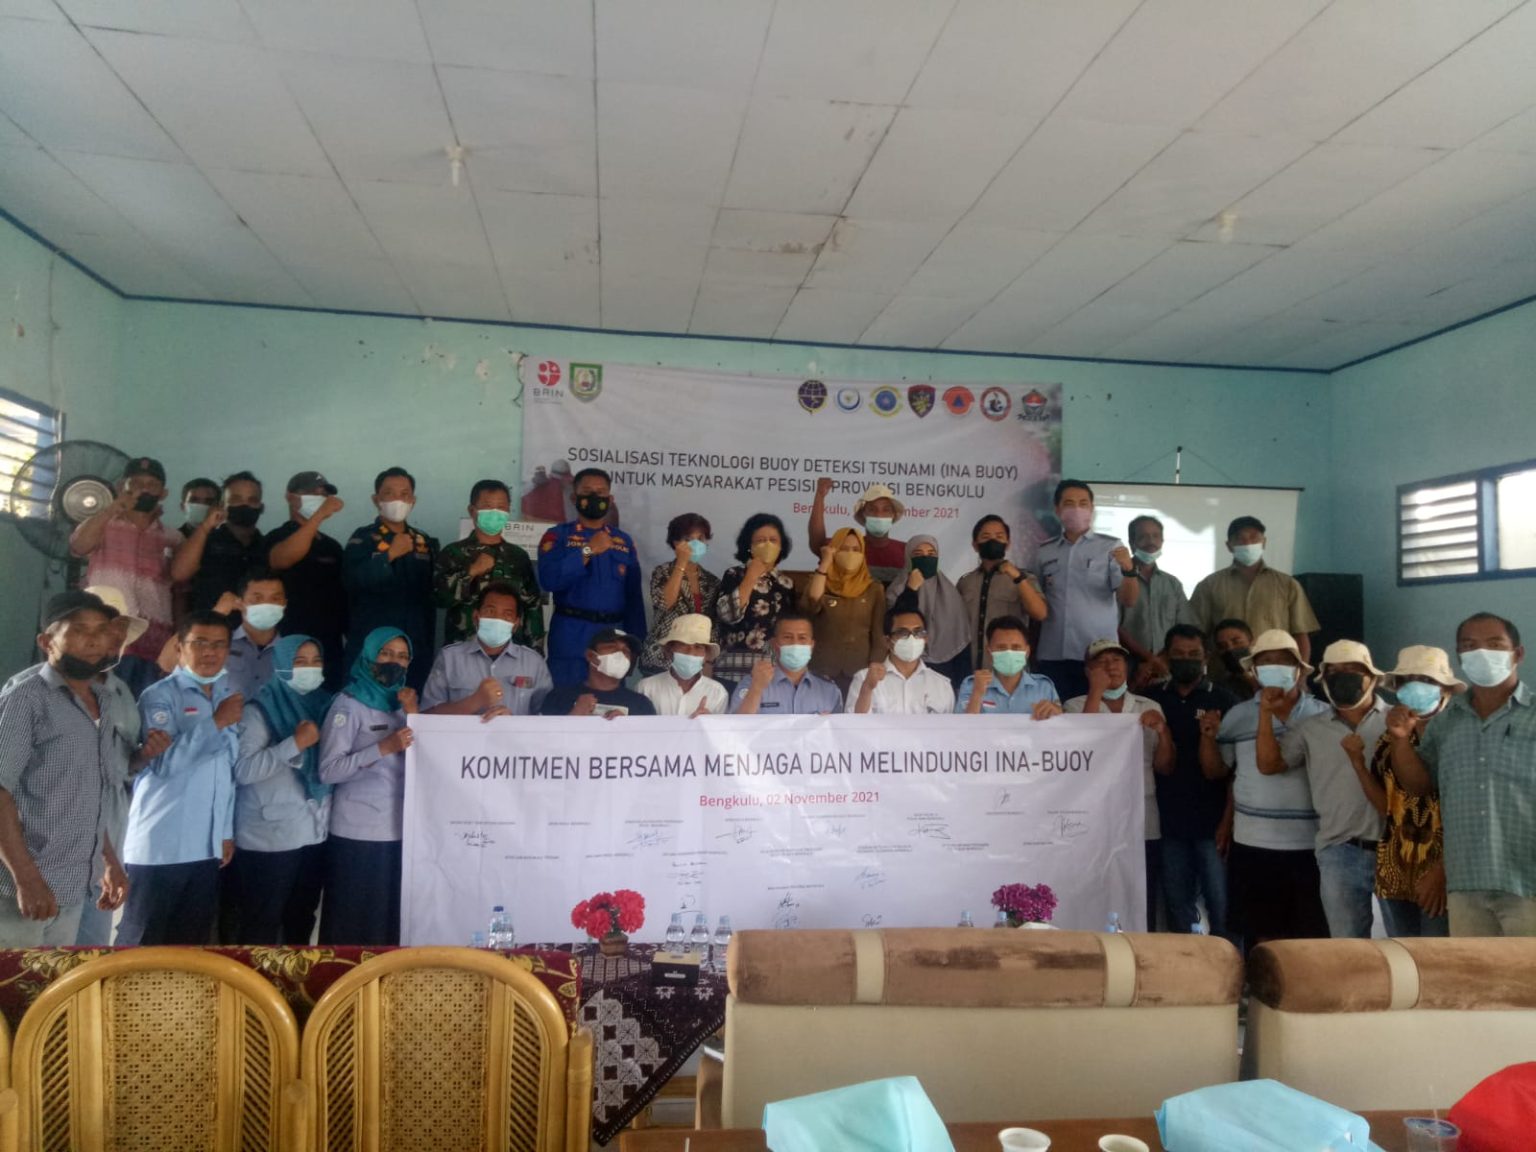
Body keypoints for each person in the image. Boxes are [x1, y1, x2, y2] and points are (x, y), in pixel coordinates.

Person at [1389, 612, 1535, 937]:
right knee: (1472, 970)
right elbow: (1420, 785)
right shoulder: (1447, 722)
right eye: (1470, 646)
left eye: (1494, 644)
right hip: (1466, 882)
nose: (1482, 653)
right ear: (1460, 657)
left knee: (1527, 971)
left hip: (1527, 882)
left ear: (1518, 654)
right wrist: (1400, 741)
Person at [0, 592, 131, 946]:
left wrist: (109, 860)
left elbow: (91, 793)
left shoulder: (104, 702)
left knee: (62, 980)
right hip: (21, 892)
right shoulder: (26, 699)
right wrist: (26, 878)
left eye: (101, 630)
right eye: (78, 630)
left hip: (76, 886)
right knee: (16, 980)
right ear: (47, 642)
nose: (93, 640)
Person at [117, 610, 241, 946]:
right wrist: (215, 723)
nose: (210, 652)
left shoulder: (226, 696)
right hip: (161, 845)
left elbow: (226, 772)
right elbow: (163, 764)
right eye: (199, 643)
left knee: (189, 949)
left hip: (206, 848)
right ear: (180, 647)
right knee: (142, 943)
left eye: (219, 645)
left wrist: (224, 831)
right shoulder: (160, 696)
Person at [1257, 639, 1387, 939]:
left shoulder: (1396, 721)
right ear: (1323, 679)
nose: (1343, 677)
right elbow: (1269, 765)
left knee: (1404, 942)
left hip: (1395, 849)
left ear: (1373, 678)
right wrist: (1265, 714)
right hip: (1339, 851)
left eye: (1352, 670)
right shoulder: (1311, 728)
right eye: (1334, 672)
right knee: (1346, 945)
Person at [1212, 630, 1331, 947]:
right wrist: (1227, 822)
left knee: (1310, 938)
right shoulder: (1238, 715)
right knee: (1261, 938)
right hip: (1253, 842)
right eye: (1266, 662)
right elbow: (1229, 773)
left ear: (1299, 670)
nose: (1275, 667)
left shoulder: (1322, 715)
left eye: (1283, 661)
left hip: (1310, 844)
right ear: (1253, 671)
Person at [1064, 639, 1173, 931]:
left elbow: (1165, 767)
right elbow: (1079, 755)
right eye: (1101, 662)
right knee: (1093, 891)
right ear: (1088, 671)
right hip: (1095, 816)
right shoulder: (1074, 705)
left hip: (1142, 814)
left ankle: (1140, 950)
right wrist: (1096, 692)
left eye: (1116, 660)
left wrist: (1162, 732)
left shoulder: (1149, 706)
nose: (1110, 666)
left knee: (1142, 890)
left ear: (1127, 666)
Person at [230, 635, 332, 945]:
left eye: (316, 661)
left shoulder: (326, 705)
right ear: (282, 664)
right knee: (261, 922)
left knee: (302, 918)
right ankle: (252, 978)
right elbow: (242, 770)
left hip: (313, 831)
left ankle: (296, 977)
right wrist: (294, 744)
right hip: (268, 838)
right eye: (300, 662)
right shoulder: (259, 709)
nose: (309, 668)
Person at [318, 627, 417, 945]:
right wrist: (382, 748)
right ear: (369, 656)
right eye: (386, 653)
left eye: (402, 656)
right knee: (352, 925)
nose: (394, 662)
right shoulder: (348, 704)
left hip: (397, 831)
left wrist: (415, 715)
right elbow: (328, 771)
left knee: (387, 925)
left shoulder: (403, 703)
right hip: (357, 833)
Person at [1355, 646, 1458, 938]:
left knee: (1437, 958)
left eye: (1426, 680)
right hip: (1395, 867)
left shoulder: (1458, 734)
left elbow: (1470, 812)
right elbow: (1386, 808)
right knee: (1403, 957)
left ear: (1445, 688)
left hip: (1443, 868)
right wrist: (1357, 765)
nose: (1416, 686)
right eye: (1407, 680)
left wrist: (1442, 870)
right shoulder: (1388, 740)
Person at [1147, 624, 1238, 937]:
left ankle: (1229, 964)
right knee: (1177, 906)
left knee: (1222, 906)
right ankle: (1186, 964)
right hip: (1169, 822)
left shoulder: (1225, 700)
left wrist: (1227, 822)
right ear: (1166, 657)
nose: (1186, 660)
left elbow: (1235, 772)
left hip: (1213, 824)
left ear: (1206, 657)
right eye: (1178, 654)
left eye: (1193, 654)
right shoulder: (1152, 699)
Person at [68, 456, 180, 695]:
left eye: (152, 485)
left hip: (154, 641)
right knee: (100, 703)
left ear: (163, 493)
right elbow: (79, 546)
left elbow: (180, 579)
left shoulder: (173, 537)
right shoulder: (102, 524)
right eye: (136, 483)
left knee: (146, 707)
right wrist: (112, 508)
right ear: (121, 487)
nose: (144, 490)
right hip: (108, 636)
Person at [536, 468, 646, 685]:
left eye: (601, 492)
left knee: (609, 700)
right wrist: (587, 550)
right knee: (566, 698)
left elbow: (633, 597)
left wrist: (635, 643)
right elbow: (548, 580)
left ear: (610, 499)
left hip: (613, 637)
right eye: (587, 492)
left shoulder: (623, 541)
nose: (595, 497)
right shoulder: (557, 536)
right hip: (571, 634)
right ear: (574, 497)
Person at [1032, 481, 1138, 701]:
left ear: (1091, 508)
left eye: (1083, 503)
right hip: (1053, 655)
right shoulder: (1044, 551)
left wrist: (1129, 570)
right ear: (1057, 510)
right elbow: (1035, 602)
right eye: (1069, 503)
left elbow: (1129, 600)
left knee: (1096, 717)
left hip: (1097, 656)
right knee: (1053, 716)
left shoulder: (1110, 547)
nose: (1076, 509)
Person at [342, 467, 438, 694]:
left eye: (404, 494)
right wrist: (389, 555)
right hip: (372, 640)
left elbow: (430, 595)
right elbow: (351, 581)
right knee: (366, 700)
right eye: (389, 493)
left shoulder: (424, 541)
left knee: (411, 700)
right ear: (376, 499)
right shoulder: (362, 538)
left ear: (413, 500)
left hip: (414, 642)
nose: (398, 499)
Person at [1190, 516, 1319, 665]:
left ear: (1264, 542)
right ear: (1229, 546)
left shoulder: (1288, 585)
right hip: (1224, 671)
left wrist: (1302, 672)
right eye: (1240, 539)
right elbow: (1196, 635)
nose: (1248, 543)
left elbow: (1301, 634)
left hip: (1273, 669)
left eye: (1254, 538)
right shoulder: (1209, 585)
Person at [435, 479, 544, 651]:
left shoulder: (518, 556)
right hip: (463, 649)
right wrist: (470, 571)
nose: (495, 513)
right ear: (472, 511)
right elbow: (439, 599)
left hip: (510, 652)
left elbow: (532, 606)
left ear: (508, 511)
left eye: (501, 507)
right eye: (487, 506)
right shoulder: (454, 553)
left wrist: (535, 651)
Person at [266, 471, 349, 690]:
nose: (319, 498)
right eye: (311, 492)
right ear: (290, 496)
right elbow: (281, 559)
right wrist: (319, 516)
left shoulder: (332, 546)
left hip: (329, 645)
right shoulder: (278, 536)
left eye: (323, 494)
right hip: (290, 641)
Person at [422, 583, 553, 718]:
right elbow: (426, 715)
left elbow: (549, 718)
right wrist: (474, 702)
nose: (498, 619)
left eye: (507, 614)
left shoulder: (533, 663)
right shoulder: (450, 658)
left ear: (515, 625)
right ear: (476, 617)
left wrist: (512, 723)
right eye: (490, 611)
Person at [955, 516, 1047, 677]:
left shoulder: (1025, 578)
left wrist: (1017, 577)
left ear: (1008, 543)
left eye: (999, 536)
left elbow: (1040, 613)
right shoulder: (965, 582)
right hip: (972, 671)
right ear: (975, 545)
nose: (993, 541)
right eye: (986, 537)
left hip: (1009, 672)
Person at [716, 513, 798, 687]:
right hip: (733, 671)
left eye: (773, 540)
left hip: (772, 673)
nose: (767, 544)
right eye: (760, 540)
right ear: (749, 546)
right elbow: (727, 615)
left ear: (781, 546)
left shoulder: (786, 583)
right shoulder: (734, 574)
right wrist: (751, 576)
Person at [801, 527, 886, 690]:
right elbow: (811, 605)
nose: (850, 554)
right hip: (822, 667)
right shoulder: (819, 581)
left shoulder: (874, 588)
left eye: (856, 550)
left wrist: (876, 664)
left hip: (858, 669)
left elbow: (878, 632)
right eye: (844, 549)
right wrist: (825, 564)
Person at [173, 470, 268, 612]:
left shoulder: (267, 545)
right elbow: (179, 574)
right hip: (211, 624)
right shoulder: (205, 541)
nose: (244, 505)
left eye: (252, 500)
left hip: (254, 624)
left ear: (261, 507)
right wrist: (206, 525)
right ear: (222, 505)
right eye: (236, 499)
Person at [1119, 516, 1196, 688]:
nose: (1151, 542)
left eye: (1156, 536)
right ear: (1131, 542)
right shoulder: (1118, 579)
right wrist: (1149, 658)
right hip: (1128, 666)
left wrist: (1160, 659)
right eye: (1143, 536)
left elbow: (1183, 627)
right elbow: (1113, 626)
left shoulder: (1172, 584)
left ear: (1162, 541)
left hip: (1166, 667)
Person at [640, 513, 720, 676]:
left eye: (700, 538)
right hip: (661, 658)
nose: (695, 544)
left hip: (695, 661)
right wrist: (682, 563)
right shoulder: (662, 571)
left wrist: (708, 661)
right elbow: (665, 603)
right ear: (675, 542)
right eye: (688, 539)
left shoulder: (712, 581)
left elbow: (713, 625)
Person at [847, 607, 956, 715]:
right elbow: (852, 724)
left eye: (918, 632)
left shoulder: (942, 685)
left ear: (925, 638)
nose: (912, 639)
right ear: (887, 641)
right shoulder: (864, 679)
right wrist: (867, 689)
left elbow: (950, 725)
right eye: (903, 633)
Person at [731, 615, 843, 716]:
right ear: (774, 644)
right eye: (787, 637)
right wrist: (756, 689)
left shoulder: (829, 691)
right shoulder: (752, 683)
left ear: (812, 645)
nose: (795, 643)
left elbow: (840, 730)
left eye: (802, 638)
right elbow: (736, 727)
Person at [955, 616, 1062, 718]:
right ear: (989, 651)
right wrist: (977, 694)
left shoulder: (1044, 687)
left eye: (1016, 647)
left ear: (1027, 651)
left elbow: (1060, 725)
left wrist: (1056, 711)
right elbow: (962, 727)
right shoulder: (972, 685)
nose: (1009, 653)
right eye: (1001, 648)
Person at [809, 479, 908, 584]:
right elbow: (819, 545)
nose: (879, 515)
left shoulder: (906, 550)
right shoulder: (848, 547)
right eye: (872, 509)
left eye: (886, 510)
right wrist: (820, 496)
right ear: (862, 514)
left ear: (893, 516)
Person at [539, 629, 656, 717]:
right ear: (590, 655)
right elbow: (543, 739)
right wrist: (574, 716)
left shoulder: (641, 704)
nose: (620, 654)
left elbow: (650, 741)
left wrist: (627, 728)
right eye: (612, 648)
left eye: (626, 651)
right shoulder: (558, 698)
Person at [638, 614, 729, 716]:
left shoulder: (718, 693)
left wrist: (708, 721)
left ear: (706, 656)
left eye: (698, 647)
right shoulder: (646, 688)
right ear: (670, 650)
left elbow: (720, 726)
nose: (690, 652)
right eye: (683, 645)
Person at [225, 568, 287, 698]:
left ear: (284, 604)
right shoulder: (221, 644)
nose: (267, 605)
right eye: (257, 598)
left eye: (275, 598)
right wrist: (217, 614)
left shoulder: (293, 653)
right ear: (240, 603)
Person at [1210, 618, 1257, 702]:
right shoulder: (1221, 688)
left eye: (1237, 642)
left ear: (1251, 642)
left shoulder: (1273, 675)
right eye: (1222, 646)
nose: (1230, 648)